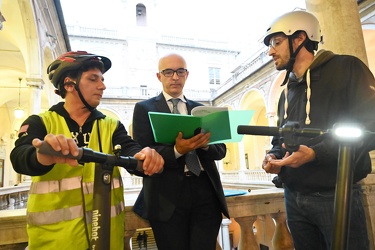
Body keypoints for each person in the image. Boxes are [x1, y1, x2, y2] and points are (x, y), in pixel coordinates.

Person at [10, 51, 164, 250]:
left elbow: (130, 148)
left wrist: (144, 156)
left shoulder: (111, 125)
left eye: (102, 79)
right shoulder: (40, 122)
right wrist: (42, 156)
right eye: (93, 79)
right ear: (69, 84)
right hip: (54, 243)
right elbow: (19, 156)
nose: (102, 86)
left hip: (107, 241)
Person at [261, 11, 375, 250]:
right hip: (293, 196)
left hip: (336, 193)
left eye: (276, 42)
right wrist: (273, 156)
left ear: (300, 38)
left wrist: (315, 153)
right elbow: (279, 138)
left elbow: (370, 126)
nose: (271, 51)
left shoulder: (347, 69)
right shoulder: (286, 91)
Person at [132, 53, 229, 250]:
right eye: (168, 72)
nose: (174, 77)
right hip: (166, 195)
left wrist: (204, 144)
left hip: (205, 190)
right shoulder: (144, 108)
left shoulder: (201, 109)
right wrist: (177, 150)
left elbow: (221, 151)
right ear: (159, 76)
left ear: (187, 74)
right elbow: (143, 149)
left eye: (180, 71)